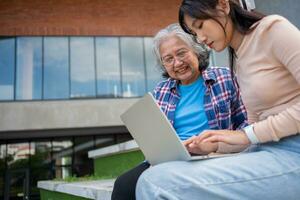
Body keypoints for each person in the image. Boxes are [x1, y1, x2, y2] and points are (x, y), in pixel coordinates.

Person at [136, 0, 300, 199]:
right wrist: (215, 144)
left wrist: (246, 135)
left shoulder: (272, 29)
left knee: (157, 183)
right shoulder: (240, 59)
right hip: (265, 151)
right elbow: (255, 132)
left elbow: (252, 133)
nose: (201, 38)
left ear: (223, 5)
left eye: (200, 26)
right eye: (194, 33)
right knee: (154, 175)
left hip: (292, 152)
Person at [111, 23, 248, 200]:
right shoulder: (161, 91)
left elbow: (246, 124)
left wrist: (218, 146)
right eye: (168, 59)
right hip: (172, 159)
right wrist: (158, 158)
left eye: (181, 53)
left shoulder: (225, 78)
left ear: (197, 51)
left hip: (213, 156)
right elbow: (156, 139)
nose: (177, 63)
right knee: (123, 185)